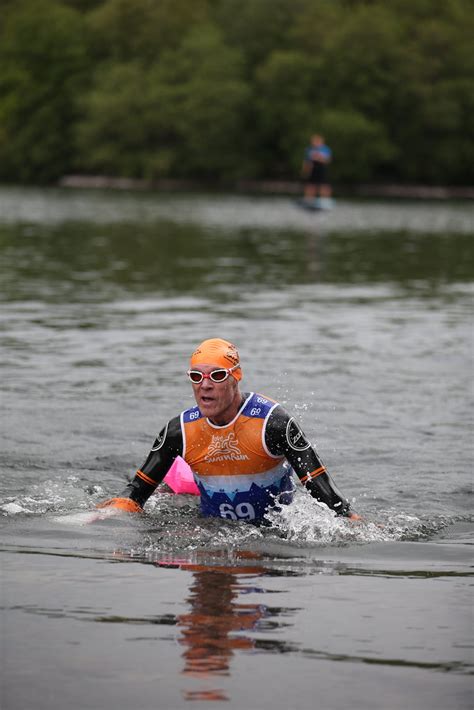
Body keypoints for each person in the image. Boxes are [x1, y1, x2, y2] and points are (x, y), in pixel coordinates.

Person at [98, 338, 360, 523]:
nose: (205, 385)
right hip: (212, 527)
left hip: (273, 530)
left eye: (217, 376)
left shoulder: (273, 423)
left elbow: (319, 486)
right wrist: (106, 517)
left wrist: (352, 522)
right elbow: (135, 493)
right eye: (196, 377)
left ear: (237, 376)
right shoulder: (179, 431)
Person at [301, 133, 333, 208]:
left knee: (324, 185)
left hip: (321, 169)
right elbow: (307, 161)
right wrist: (305, 170)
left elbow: (327, 160)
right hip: (312, 169)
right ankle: (308, 200)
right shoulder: (309, 149)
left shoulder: (325, 149)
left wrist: (318, 157)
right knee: (310, 185)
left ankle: (325, 201)